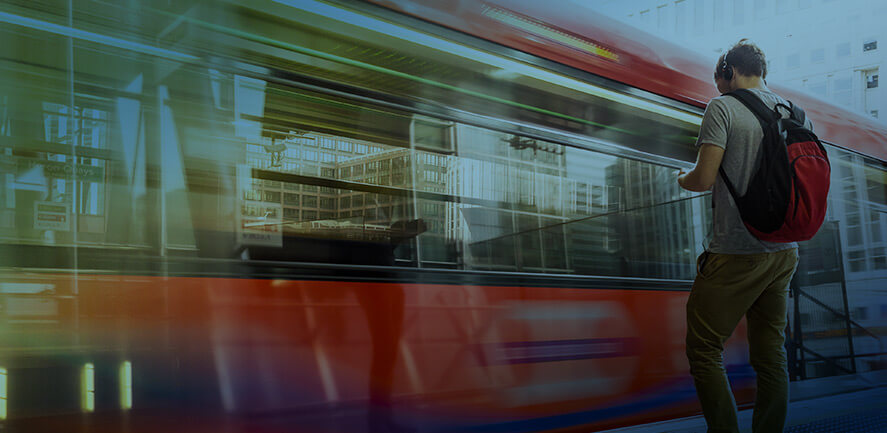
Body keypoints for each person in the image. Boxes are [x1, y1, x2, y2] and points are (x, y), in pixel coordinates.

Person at [677, 39, 807, 433]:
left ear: (729, 72)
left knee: (703, 349)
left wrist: (680, 178)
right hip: (784, 251)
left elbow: (702, 178)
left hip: (737, 250)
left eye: (720, 81)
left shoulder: (723, 107)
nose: (719, 89)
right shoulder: (795, 112)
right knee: (771, 354)